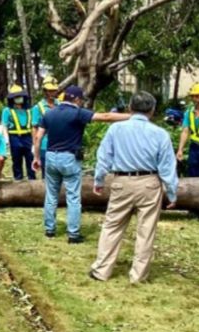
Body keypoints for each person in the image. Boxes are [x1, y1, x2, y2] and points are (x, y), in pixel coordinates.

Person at [89, 92, 179, 283]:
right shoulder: (161, 134)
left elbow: (104, 156)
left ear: (130, 108)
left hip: (122, 181)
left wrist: (99, 180)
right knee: (146, 230)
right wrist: (171, 192)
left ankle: (102, 270)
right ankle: (138, 275)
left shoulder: (116, 129)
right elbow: (167, 166)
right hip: (150, 183)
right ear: (152, 111)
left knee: (112, 226)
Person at [33, 85, 130, 243]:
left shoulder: (49, 114)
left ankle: (50, 229)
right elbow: (105, 117)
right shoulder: (78, 113)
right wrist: (132, 116)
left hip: (50, 156)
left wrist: (36, 158)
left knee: (51, 195)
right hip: (69, 158)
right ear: (77, 99)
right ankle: (73, 234)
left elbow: (38, 138)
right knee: (73, 197)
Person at [2, 85, 37, 180]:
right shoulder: (7, 111)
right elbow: (4, 126)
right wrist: (6, 140)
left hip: (28, 137)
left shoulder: (30, 110)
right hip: (14, 138)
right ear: (12, 99)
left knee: (30, 159)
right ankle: (18, 180)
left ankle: (32, 180)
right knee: (16, 160)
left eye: (20, 96)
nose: (19, 99)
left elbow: (34, 125)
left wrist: (35, 142)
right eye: (16, 97)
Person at [30, 77, 60, 179]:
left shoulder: (60, 105)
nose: (52, 93)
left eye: (54, 90)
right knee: (47, 174)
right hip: (44, 144)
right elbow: (34, 128)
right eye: (50, 90)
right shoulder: (37, 108)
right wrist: (35, 146)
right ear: (45, 91)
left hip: (60, 143)